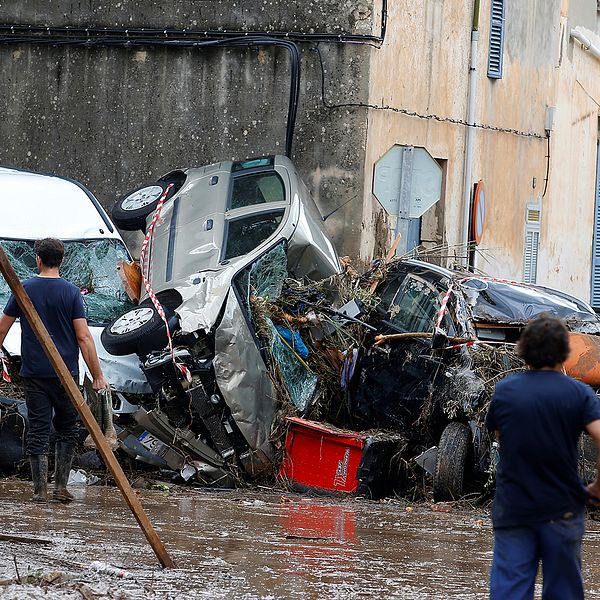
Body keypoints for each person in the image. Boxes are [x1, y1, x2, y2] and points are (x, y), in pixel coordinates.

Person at [487, 313, 600, 599]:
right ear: (564, 351)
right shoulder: (579, 394)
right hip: (562, 509)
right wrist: (598, 487)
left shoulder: (505, 392)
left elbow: (501, 436)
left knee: (509, 592)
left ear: (525, 349)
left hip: (514, 508)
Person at [0, 238, 109, 503]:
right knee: (66, 428)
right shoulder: (71, 292)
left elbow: (2, 328)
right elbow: (83, 337)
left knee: (38, 429)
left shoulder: (23, 289)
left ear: (38, 259)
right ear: (61, 260)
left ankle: (39, 491)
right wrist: (97, 375)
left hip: (34, 373)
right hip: (65, 376)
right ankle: (60, 487)